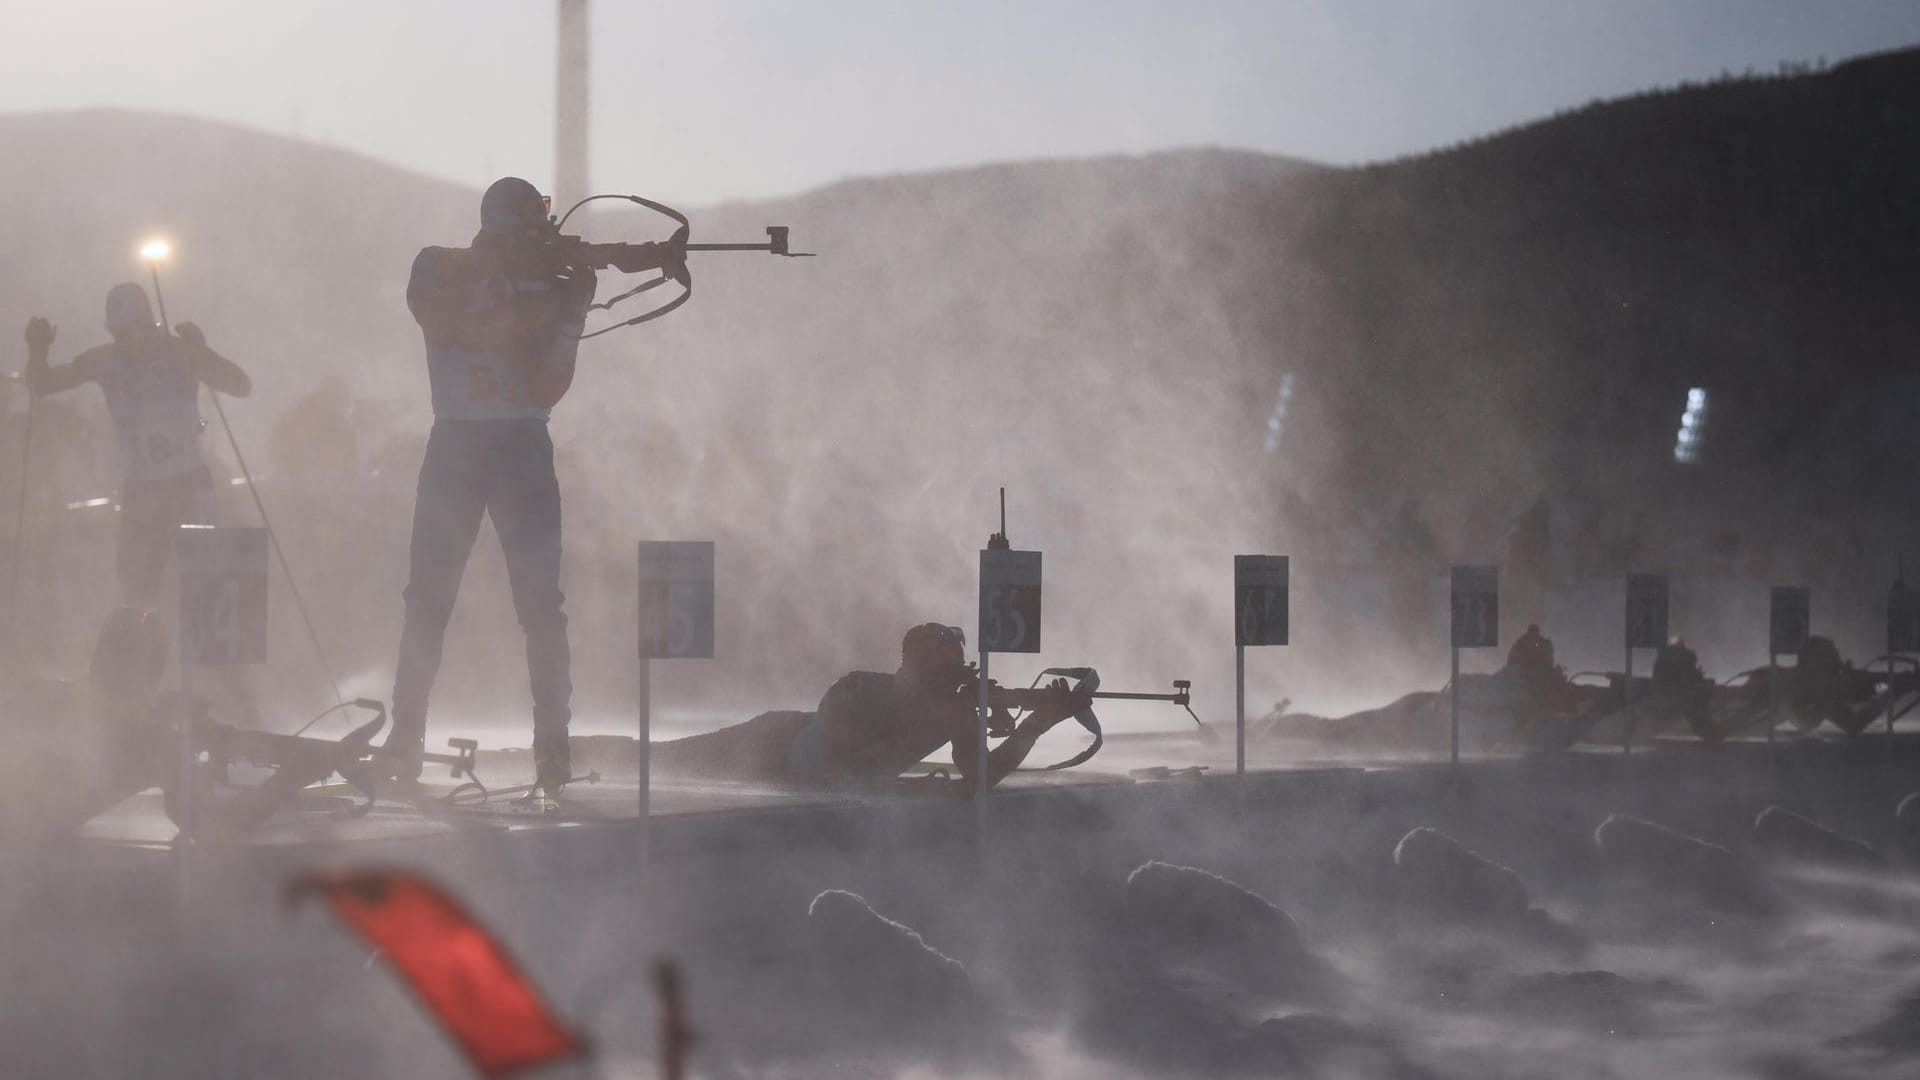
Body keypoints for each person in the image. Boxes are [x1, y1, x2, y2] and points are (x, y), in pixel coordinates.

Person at [379, 177, 604, 795]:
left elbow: (544, 389)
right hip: (464, 443)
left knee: (539, 607)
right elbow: (444, 323)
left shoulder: (543, 286)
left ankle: (552, 752)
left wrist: (570, 315)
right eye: (532, 221)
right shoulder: (440, 265)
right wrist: (530, 300)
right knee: (428, 599)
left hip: (514, 443)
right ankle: (405, 739)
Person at [22, 286, 251, 605]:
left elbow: (241, 386)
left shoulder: (179, 351)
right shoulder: (103, 360)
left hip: (190, 482)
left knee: (206, 578)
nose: (130, 341)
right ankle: (144, 640)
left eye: (135, 330)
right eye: (119, 333)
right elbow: (41, 385)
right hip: (142, 489)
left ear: (150, 323)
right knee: (136, 585)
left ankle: (204, 641)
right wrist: (37, 348)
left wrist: (203, 351)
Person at [653, 623, 1093, 788]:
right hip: (773, 742)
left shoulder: (952, 713)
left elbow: (980, 781)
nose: (952, 681)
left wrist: (1036, 723)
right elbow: (836, 760)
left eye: (958, 671)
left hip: (790, 758)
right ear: (911, 667)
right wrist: (928, 723)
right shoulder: (861, 688)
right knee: (654, 760)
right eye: (940, 670)